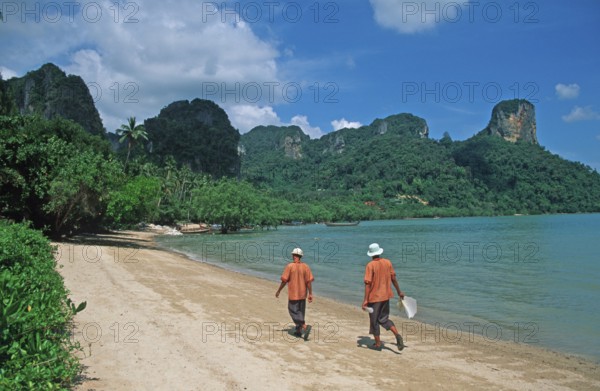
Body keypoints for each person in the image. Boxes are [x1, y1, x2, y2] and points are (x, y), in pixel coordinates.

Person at [362, 243, 405, 350]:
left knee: (374, 320)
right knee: (384, 319)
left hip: (374, 298)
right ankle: (397, 335)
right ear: (379, 252)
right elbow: (394, 278)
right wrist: (399, 291)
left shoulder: (370, 265)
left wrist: (365, 300)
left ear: (371, 254)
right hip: (386, 296)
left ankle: (377, 343)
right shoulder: (387, 262)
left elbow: (368, 284)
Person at [276, 247, 314, 339]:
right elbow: (308, 282)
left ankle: (304, 325)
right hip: (302, 293)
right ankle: (298, 331)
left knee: (292, 310)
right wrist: (310, 294)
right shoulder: (306, 266)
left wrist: (279, 290)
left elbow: (284, 281)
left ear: (293, 255)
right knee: (300, 312)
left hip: (294, 294)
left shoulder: (290, 266)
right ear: (301, 256)